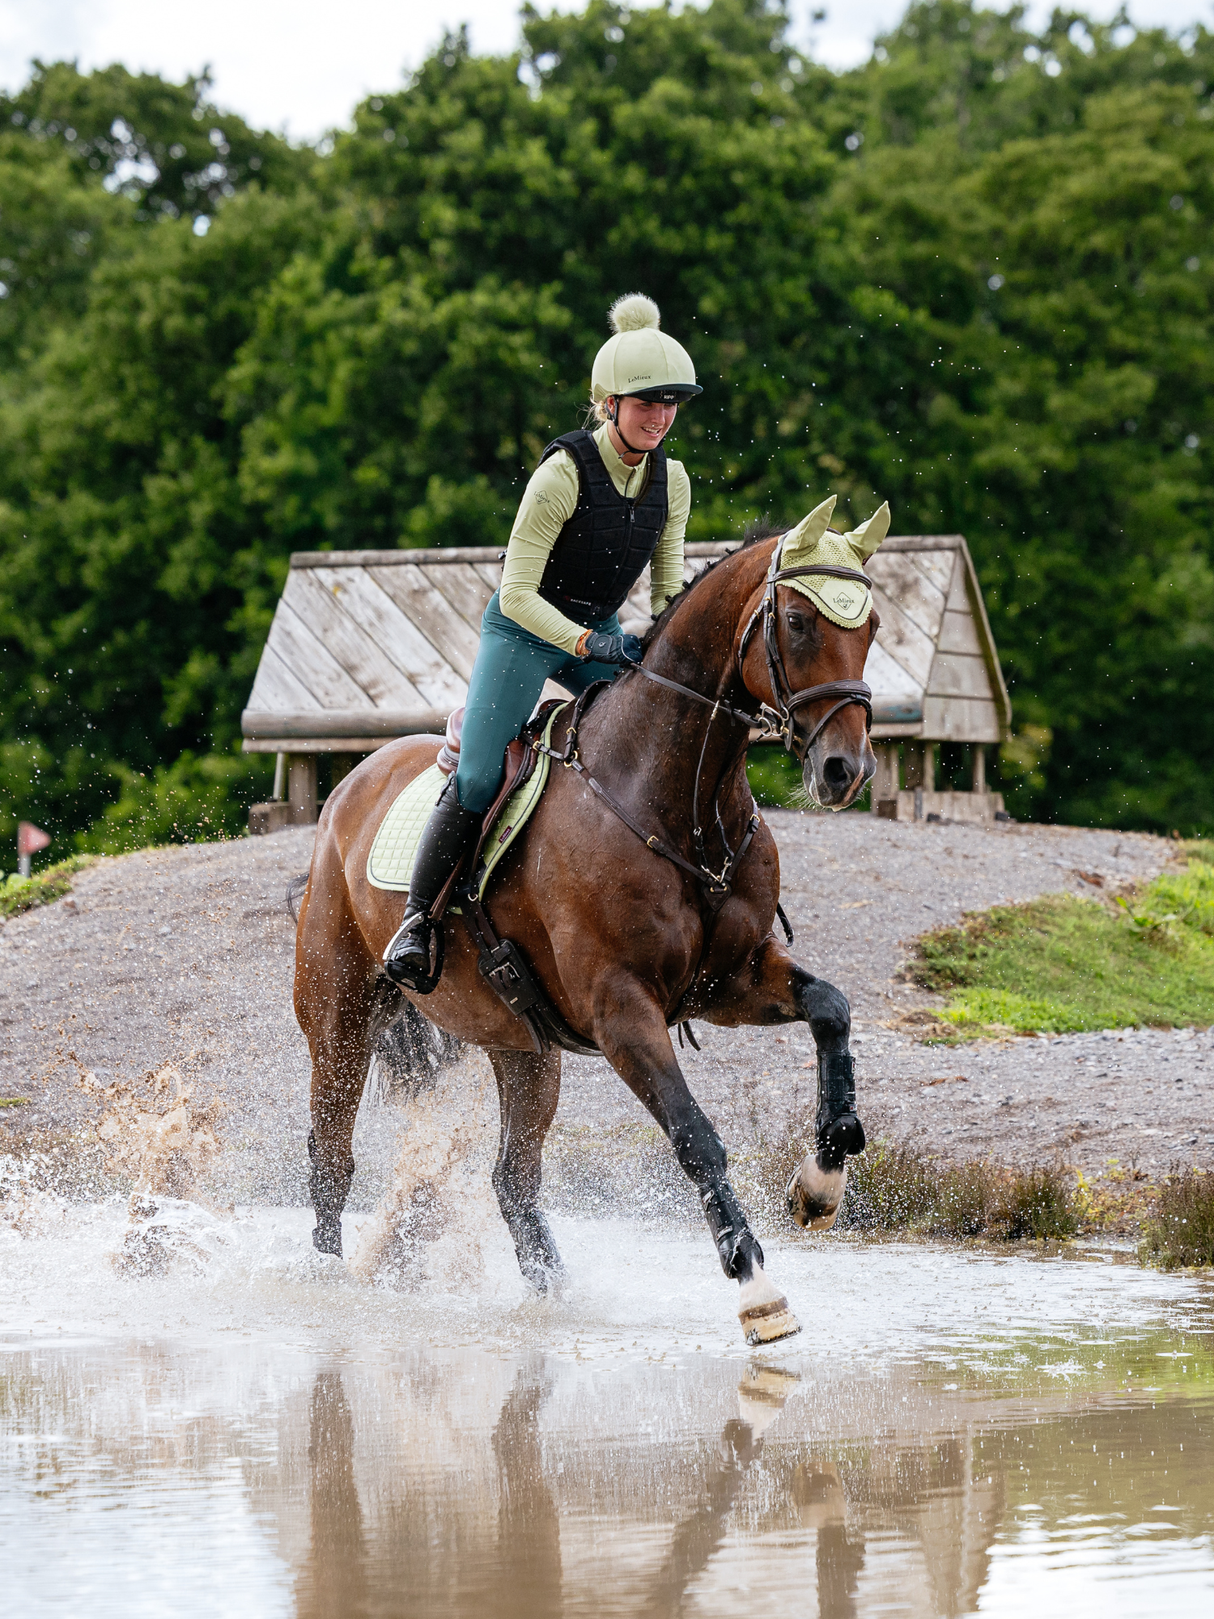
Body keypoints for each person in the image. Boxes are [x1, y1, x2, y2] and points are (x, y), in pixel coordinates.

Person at [383, 293, 701, 989]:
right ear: (609, 403)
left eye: (671, 402)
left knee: (659, 738)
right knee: (477, 776)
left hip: (600, 633)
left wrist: (667, 649)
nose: (660, 416)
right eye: (646, 402)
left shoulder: (672, 481)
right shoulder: (562, 473)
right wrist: (589, 643)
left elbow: (668, 593)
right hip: (525, 630)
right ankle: (417, 922)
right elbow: (518, 593)